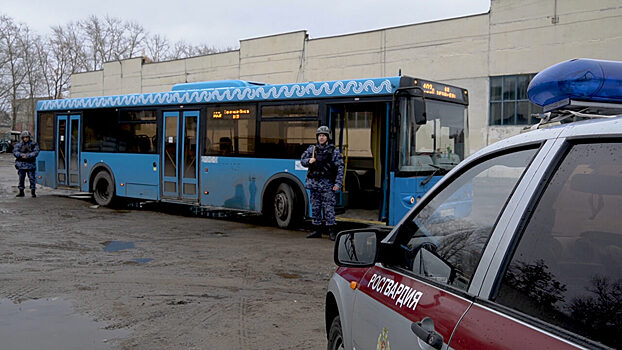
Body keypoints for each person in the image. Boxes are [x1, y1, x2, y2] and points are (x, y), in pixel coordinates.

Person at [300, 126, 344, 240]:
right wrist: (309, 161)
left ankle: (332, 231)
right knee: (315, 207)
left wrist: (338, 184)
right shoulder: (312, 149)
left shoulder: (334, 151)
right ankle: (317, 230)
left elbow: (340, 168)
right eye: (320, 136)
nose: (321, 138)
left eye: (324, 136)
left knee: (329, 208)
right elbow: (302, 160)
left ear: (327, 137)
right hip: (314, 183)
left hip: (327, 184)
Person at [13, 131, 40, 198]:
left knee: (32, 178)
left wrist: (28, 156)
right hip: (21, 165)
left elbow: (36, 152)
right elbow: (15, 152)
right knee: (21, 179)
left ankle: (33, 191)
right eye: (24, 137)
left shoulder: (33, 144)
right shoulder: (19, 144)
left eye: (27, 137)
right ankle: (21, 191)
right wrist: (22, 155)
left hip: (30, 164)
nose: (25, 139)